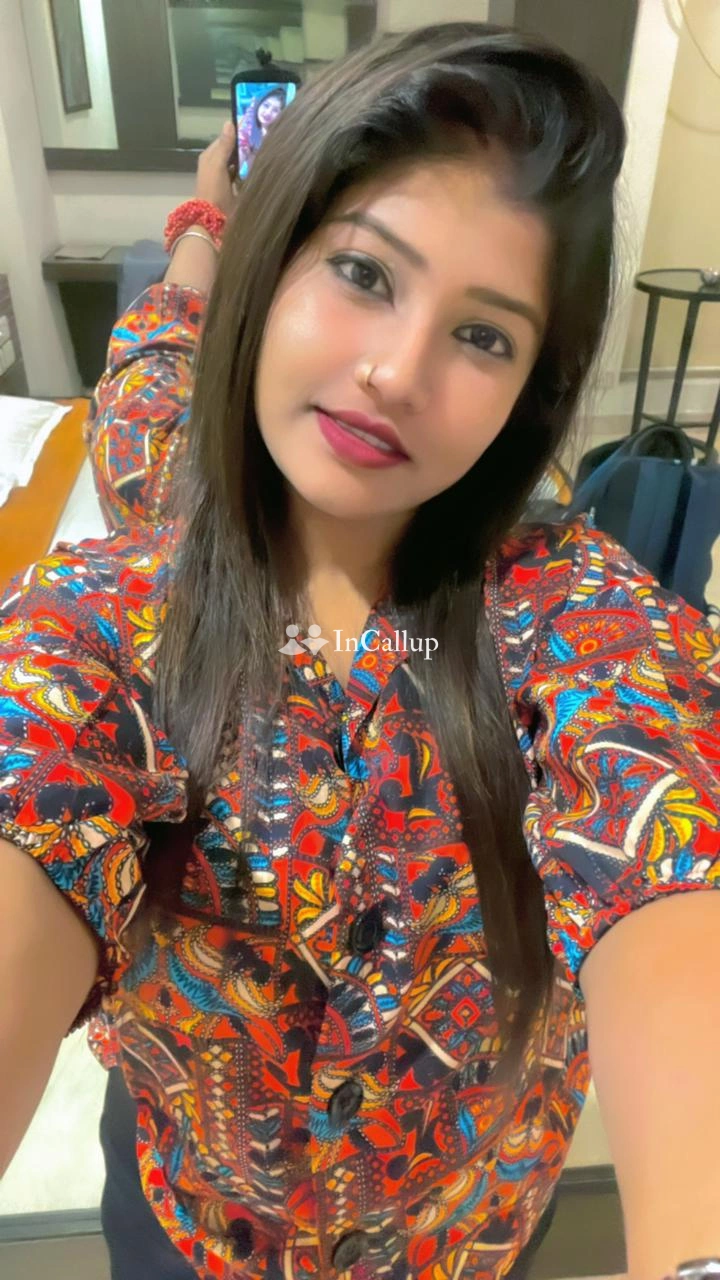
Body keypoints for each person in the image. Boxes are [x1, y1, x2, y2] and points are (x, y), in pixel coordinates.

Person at [1, 21, 719, 1280]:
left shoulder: (573, 615)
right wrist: (211, 211)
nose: (395, 372)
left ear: (531, 389)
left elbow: (667, 831)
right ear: (271, 264)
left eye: (485, 336)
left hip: (469, 1237)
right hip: (190, 1230)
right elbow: (165, 341)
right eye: (362, 272)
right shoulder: (119, 586)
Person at [236, 85, 287, 176]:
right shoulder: (244, 123)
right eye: (266, 105)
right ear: (259, 103)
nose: (268, 113)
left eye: (275, 110)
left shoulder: (278, 137)